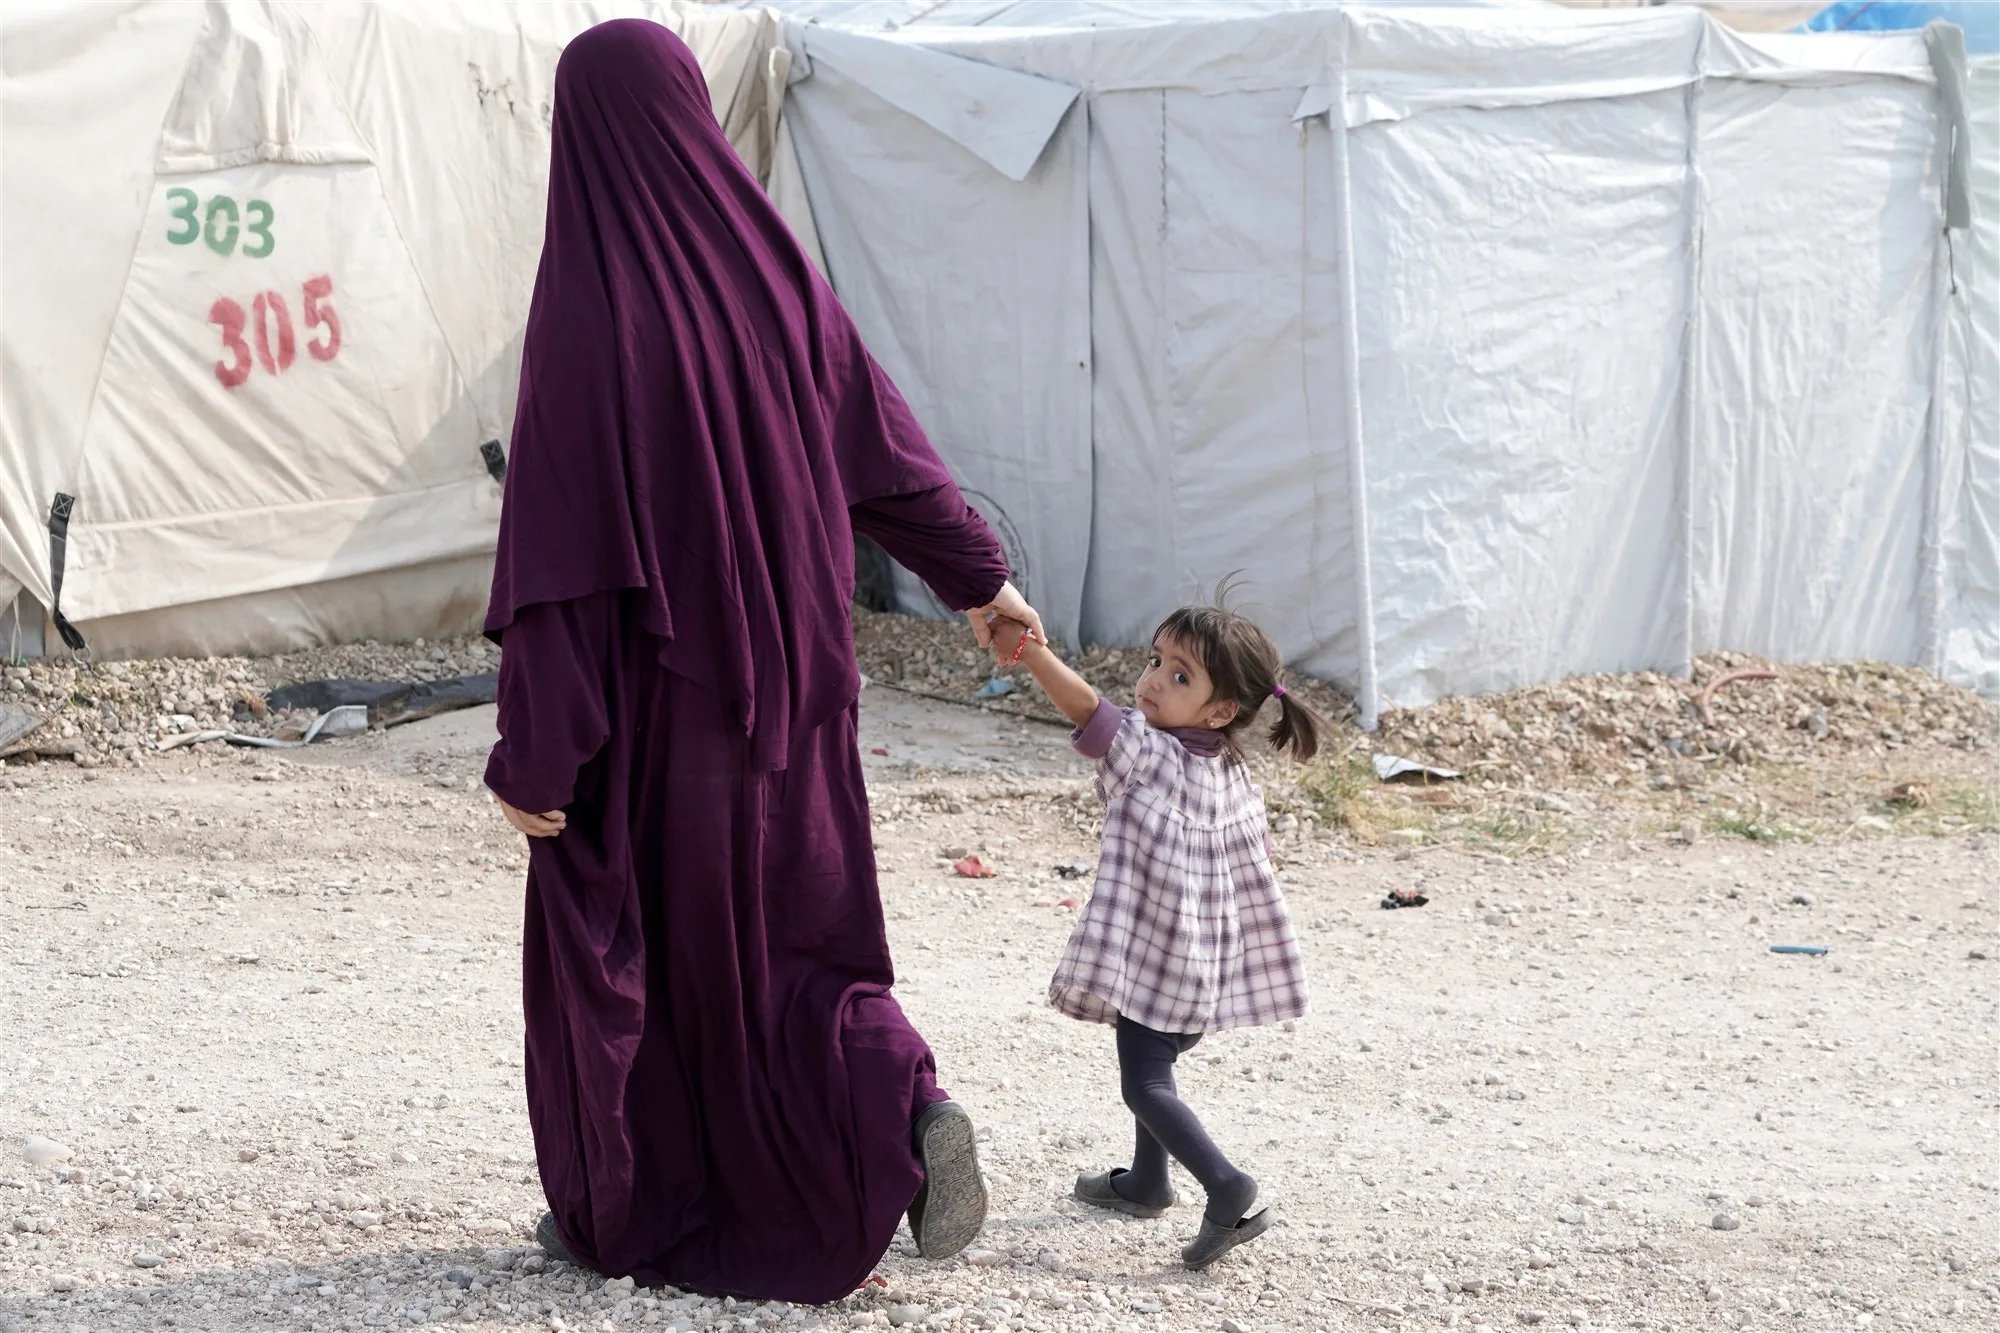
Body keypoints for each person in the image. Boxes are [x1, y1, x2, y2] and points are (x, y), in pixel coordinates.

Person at [481, 19, 1043, 1304]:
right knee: (803, 934)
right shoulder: (781, 276)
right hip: (798, 686)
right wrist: (982, 582)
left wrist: (537, 753)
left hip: (655, 710)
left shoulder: (588, 309)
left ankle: (642, 1207)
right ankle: (901, 1100)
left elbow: (566, 568)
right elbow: (888, 454)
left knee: (662, 957)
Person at [987, 598, 1318, 1270]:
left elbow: (1086, 709)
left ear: (1221, 711)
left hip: (1159, 962)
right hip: (1204, 963)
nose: (1153, 680)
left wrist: (1029, 653)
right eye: (1155, 660)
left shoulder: (1149, 752)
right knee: (1149, 1063)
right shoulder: (1235, 773)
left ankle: (1227, 1186)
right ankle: (1146, 1181)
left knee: (1144, 1084)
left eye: (1180, 676)